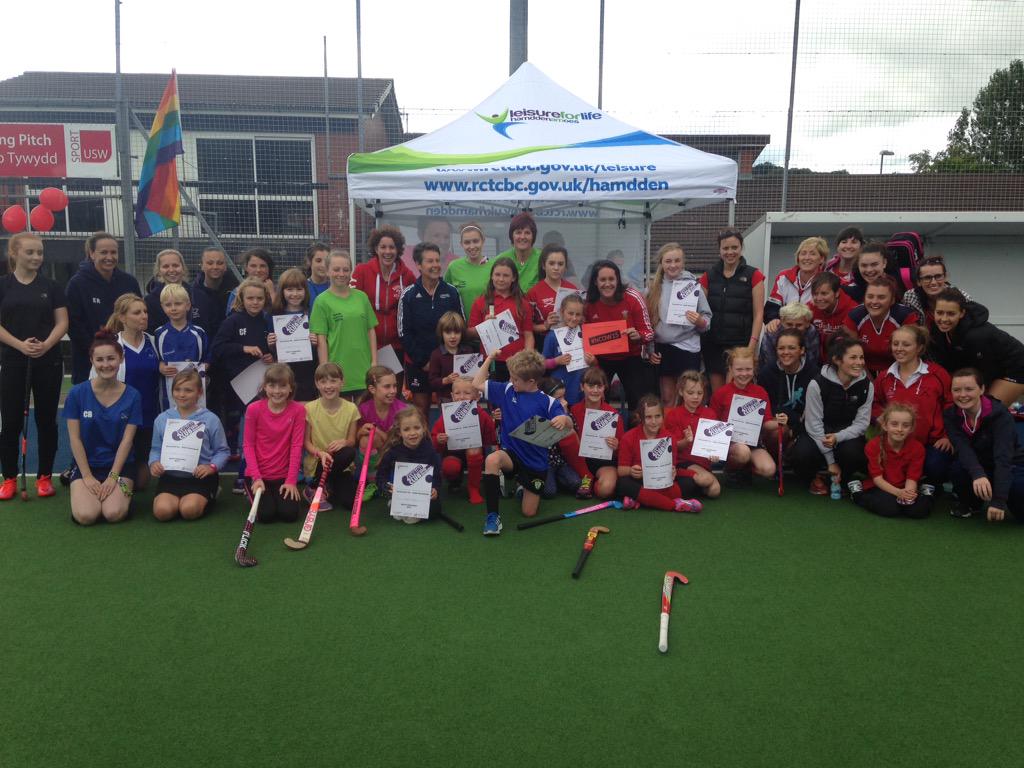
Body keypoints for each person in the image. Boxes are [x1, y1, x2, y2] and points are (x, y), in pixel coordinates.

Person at [472, 349, 570, 534]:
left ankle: (522, 486)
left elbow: (569, 425)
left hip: (535, 463)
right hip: (511, 456)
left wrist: (564, 419)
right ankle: (493, 517)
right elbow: (477, 383)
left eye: (515, 379)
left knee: (529, 512)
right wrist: (490, 359)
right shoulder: (508, 390)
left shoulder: (548, 402)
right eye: (511, 377)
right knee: (492, 459)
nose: (511, 381)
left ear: (531, 381)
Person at [0, 233, 68, 499]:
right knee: (12, 420)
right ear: (14, 253)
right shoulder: (3, 285)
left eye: (39, 252)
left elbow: (62, 322)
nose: (37, 257)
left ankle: (43, 476)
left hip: (47, 361)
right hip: (14, 360)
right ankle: (8, 478)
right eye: (30, 252)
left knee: (46, 420)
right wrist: (20, 345)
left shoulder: (52, 286)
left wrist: (46, 345)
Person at [65, 331, 141, 524]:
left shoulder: (133, 395)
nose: (105, 364)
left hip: (120, 466)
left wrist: (113, 476)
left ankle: (123, 497)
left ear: (121, 359)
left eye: (111, 358)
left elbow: (127, 440)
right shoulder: (76, 394)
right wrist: (88, 476)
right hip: (87, 466)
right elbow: (75, 439)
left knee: (113, 513)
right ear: (91, 360)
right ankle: (84, 489)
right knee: (86, 516)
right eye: (99, 359)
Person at [790, 336, 872, 495]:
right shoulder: (817, 383)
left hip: (845, 434)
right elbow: (813, 425)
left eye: (861, 357)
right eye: (853, 357)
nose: (860, 362)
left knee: (854, 454)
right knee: (801, 455)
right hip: (816, 433)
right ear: (837, 360)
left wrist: (838, 437)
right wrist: (831, 461)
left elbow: (862, 424)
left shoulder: (867, 385)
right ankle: (814, 477)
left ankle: (842, 478)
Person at [872, 325, 953, 485]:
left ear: (919, 348)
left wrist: (947, 436)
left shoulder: (938, 374)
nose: (899, 349)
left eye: (906, 344)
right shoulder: (884, 377)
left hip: (931, 442)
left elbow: (951, 406)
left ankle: (930, 486)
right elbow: (875, 404)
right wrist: (879, 418)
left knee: (935, 467)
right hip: (897, 442)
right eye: (896, 344)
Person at [211, 277, 274, 477]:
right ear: (242, 299)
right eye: (250, 298)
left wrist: (270, 354)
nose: (255, 302)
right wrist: (243, 348)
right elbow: (217, 348)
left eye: (259, 298)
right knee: (247, 428)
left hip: (262, 382)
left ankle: (261, 470)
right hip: (239, 383)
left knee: (261, 427)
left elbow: (268, 350)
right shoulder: (233, 320)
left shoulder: (266, 320)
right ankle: (243, 474)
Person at [944, 368, 1024, 522]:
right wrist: (978, 474)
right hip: (981, 464)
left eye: (969, 389)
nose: (962, 395)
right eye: (956, 390)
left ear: (982, 389)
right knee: (958, 469)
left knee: (1020, 507)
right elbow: (963, 449)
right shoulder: (950, 415)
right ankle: (972, 503)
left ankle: (1005, 496)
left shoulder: (1000, 415)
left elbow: (1003, 458)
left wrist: (999, 500)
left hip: (1012, 464)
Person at [148, 369, 229, 521]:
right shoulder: (162, 419)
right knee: (162, 513)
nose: (182, 394)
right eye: (177, 389)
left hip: (199, 477)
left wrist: (211, 467)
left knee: (189, 511)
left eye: (188, 390)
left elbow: (222, 451)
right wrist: (154, 463)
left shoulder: (210, 419)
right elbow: (155, 449)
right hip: (171, 476)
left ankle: (211, 493)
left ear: (199, 392)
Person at [398, 242, 464, 419]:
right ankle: (424, 446)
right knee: (421, 412)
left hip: (447, 364)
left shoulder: (452, 292)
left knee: (453, 413)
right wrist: (423, 362)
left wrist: (445, 361)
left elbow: (460, 327)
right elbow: (404, 333)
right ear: (418, 265)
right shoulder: (409, 294)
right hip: (419, 365)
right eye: (430, 261)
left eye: (437, 260)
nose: (435, 265)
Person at [65, 232, 141, 383]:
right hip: (89, 363)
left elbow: (139, 317)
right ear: (92, 254)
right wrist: (98, 352)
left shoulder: (129, 282)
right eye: (104, 252)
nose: (109, 257)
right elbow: (74, 325)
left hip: (126, 362)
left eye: (113, 252)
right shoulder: (77, 284)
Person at [928, 288, 1024, 407]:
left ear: (962, 313)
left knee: (986, 410)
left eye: (951, 314)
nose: (944, 319)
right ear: (934, 311)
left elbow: (986, 372)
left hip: (1015, 368)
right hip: (990, 368)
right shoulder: (937, 331)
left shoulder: (975, 336)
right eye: (940, 312)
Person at [104, 293, 160, 491]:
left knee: (142, 484)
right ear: (122, 317)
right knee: (121, 467)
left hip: (149, 414)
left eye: (145, 312)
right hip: (121, 416)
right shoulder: (112, 345)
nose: (144, 316)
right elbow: (95, 383)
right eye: (137, 313)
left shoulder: (154, 341)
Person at [645, 243, 712, 408]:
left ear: (683, 263)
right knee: (667, 398)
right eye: (668, 261)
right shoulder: (653, 288)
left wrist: (699, 321)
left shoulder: (694, 286)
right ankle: (670, 432)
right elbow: (647, 324)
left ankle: (687, 433)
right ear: (661, 263)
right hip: (663, 348)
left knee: (688, 398)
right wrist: (650, 350)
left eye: (677, 260)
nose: (673, 265)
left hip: (688, 347)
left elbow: (707, 320)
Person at [583, 259, 655, 411]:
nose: (607, 284)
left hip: (630, 357)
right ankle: (601, 434)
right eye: (602, 279)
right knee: (598, 401)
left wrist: (638, 336)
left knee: (637, 401)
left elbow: (649, 333)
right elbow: (583, 334)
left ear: (618, 280)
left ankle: (633, 433)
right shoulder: (588, 302)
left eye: (611, 279)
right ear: (595, 282)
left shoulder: (633, 298)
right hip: (601, 359)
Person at [699, 228, 765, 393]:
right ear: (719, 250)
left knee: (736, 393)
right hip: (712, 344)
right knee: (718, 394)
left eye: (734, 247)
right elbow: (699, 310)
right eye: (725, 248)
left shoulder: (754, 275)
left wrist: (751, 347)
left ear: (741, 247)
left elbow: (759, 315)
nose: (730, 252)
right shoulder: (708, 275)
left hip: (740, 345)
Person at [242, 363, 306, 523]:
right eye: (272, 385)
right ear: (265, 386)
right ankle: (248, 486)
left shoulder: (298, 410)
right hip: (260, 476)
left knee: (289, 515)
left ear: (291, 388)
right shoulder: (253, 409)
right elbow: (248, 446)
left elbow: (296, 446)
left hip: (283, 476)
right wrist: (256, 478)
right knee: (266, 516)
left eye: (283, 386)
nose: (277, 391)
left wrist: (291, 481)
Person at [616, 395, 702, 512]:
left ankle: (638, 499)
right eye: (648, 417)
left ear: (663, 416)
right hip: (638, 480)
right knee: (623, 484)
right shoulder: (628, 437)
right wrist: (631, 471)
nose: (654, 422)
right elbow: (621, 470)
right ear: (641, 418)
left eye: (658, 416)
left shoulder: (669, 438)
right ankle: (673, 504)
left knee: (690, 482)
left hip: (660, 482)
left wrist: (672, 471)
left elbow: (672, 467)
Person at [848, 402, 933, 519]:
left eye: (905, 425)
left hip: (904, 485)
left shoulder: (917, 448)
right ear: (885, 425)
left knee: (919, 510)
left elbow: (912, 478)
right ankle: (857, 493)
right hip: (880, 486)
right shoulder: (874, 445)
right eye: (894, 424)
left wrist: (908, 494)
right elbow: (877, 479)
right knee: (889, 508)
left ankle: (926, 493)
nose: (899, 429)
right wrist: (898, 493)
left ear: (912, 428)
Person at [311, 250, 378, 397]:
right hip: (337, 374)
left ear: (350, 272)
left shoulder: (362, 297)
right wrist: (325, 370)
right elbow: (321, 339)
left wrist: (374, 362)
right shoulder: (321, 301)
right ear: (328, 271)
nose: (341, 274)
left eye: (345, 270)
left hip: (363, 371)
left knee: (365, 418)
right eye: (336, 269)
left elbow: (371, 330)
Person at [351, 226, 415, 376]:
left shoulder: (407, 275)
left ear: (398, 249)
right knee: (370, 389)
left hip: (396, 346)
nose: (387, 252)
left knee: (392, 391)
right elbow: (351, 304)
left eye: (392, 247)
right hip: (368, 345)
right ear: (375, 248)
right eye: (383, 247)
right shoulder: (362, 271)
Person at [708, 347, 778, 482]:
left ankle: (745, 469)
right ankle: (730, 470)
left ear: (754, 369)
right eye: (739, 369)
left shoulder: (760, 392)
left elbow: (767, 422)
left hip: (753, 443)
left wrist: (780, 422)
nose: (744, 374)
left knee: (769, 470)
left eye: (748, 369)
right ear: (731, 369)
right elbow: (713, 423)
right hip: (731, 445)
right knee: (742, 452)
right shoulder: (721, 393)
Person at [303, 362, 361, 511]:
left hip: (342, 464)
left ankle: (327, 485)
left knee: (350, 503)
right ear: (317, 384)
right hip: (318, 464)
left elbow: (352, 441)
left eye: (333, 381)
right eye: (323, 381)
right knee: (338, 458)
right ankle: (314, 487)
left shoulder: (351, 408)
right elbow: (306, 443)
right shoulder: (309, 408)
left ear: (342, 382)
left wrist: (345, 442)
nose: (328, 386)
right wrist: (320, 453)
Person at [432, 376, 497, 504]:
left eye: (467, 393)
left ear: (477, 396)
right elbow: (434, 443)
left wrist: (495, 423)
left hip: (475, 455)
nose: (461, 397)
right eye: (457, 393)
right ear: (452, 395)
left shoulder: (482, 415)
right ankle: (454, 481)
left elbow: (492, 439)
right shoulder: (447, 415)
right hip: (452, 454)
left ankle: (473, 488)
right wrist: (439, 439)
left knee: (474, 449)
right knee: (450, 467)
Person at [468, 257, 533, 382]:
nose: (501, 279)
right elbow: (469, 333)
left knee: (515, 399)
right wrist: (484, 326)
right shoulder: (480, 302)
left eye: (506, 275)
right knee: (493, 400)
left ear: (513, 278)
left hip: (516, 363)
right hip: (491, 362)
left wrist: (526, 360)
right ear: (491, 276)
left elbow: (528, 335)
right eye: (497, 275)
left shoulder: (523, 303)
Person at [376, 408, 444, 525]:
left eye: (416, 428)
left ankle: (409, 511)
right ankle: (396, 504)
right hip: (402, 494)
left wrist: (435, 490)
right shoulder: (393, 452)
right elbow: (380, 476)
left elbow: (437, 476)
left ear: (423, 428)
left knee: (435, 510)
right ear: (399, 432)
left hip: (422, 495)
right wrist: (386, 487)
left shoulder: (430, 450)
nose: (412, 433)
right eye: (406, 429)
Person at [757, 329, 815, 463]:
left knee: (803, 453)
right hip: (778, 425)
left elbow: (815, 410)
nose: (786, 352)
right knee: (779, 431)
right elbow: (765, 408)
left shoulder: (813, 373)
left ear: (802, 350)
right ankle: (775, 459)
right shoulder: (767, 373)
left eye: (791, 348)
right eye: (781, 348)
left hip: (804, 427)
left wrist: (795, 429)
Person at [663, 371, 722, 499]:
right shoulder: (674, 414)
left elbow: (714, 445)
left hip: (703, 464)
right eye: (690, 393)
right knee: (705, 480)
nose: (695, 397)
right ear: (681, 392)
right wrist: (686, 441)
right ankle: (679, 475)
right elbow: (673, 447)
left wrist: (715, 454)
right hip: (682, 461)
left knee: (715, 491)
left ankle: (689, 487)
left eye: (699, 393)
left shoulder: (710, 413)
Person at [843, 276, 918, 376]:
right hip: (863, 370)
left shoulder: (905, 317)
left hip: (898, 369)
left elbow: (910, 355)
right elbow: (851, 355)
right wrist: (870, 383)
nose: (874, 302)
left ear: (892, 300)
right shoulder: (854, 316)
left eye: (881, 297)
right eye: (870, 296)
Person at [570, 366, 625, 500]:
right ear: (582, 387)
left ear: (604, 388)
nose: (595, 390)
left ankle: (591, 483)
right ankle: (585, 479)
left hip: (603, 462)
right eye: (590, 386)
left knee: (605, 490)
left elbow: (623, 449)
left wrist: (617, 445)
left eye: (599, 386)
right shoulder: (574, 410)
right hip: (579, 461)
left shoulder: (613, 414)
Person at [154, 284, 210, 409]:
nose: (173, 308)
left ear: (188, 305)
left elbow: (208, 358)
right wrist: (160, 366)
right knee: (171, 421)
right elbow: (156, 360)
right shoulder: (159, 334)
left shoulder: (199, 333)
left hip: (196, 392)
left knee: (195, 421)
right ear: (162, 307)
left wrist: (202, 367)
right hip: (169, 393)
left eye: (178, 304)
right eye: (168, 305)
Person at [357, 365, 408, 498]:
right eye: (387, 386)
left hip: (399, 455)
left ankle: (389, 476)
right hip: (378, 455)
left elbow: (402, 443)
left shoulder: (402, 409)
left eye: (395, 386)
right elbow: (354, 440)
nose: (393, 391)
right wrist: (361, 431)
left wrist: (379, 432)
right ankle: (373, 481)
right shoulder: (363, 409)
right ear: (372, 389)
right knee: (365, 439)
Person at [268, 268, 317, 403]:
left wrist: (315, 343)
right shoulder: (274, 314)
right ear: (282, 291)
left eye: (299, 289)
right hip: (284, 370)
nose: (294, 294)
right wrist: (271, 343)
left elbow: (320, 342)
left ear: (305, 291)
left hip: (308, 370)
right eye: (289, 289)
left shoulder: (312, 313)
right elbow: (271, 350)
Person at [901, 255, 984, 326]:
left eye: (938, 276)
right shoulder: (910, 297)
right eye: (927, 278)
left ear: (946, 277)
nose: (933, 282)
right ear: (918, 281)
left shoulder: (963, 298)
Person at [764, 236, 827, 324]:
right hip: (786, 329)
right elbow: (771, 308)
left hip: (813, 331)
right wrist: (773, 320)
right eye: (803, 253)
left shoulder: (827, 281)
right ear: (798, 258)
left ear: (821, 259)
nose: (807, 257)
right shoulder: (783, 277)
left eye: (812, 254)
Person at [541, 294, 588, 407]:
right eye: (570, 313)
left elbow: (594, 363)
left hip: (580, 387)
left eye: (578, 314)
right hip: (559, 390)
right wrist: (557, 361)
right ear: (562, 312)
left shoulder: (586, 334)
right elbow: (541, 363)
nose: (574, 318)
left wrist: (592, 360)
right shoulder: (552, 336)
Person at [526, 243, 579, 342]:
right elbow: (527, 327)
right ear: (543, 265)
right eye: (551, 263)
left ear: (566, 267)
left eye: (560, 264)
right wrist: (545, 325)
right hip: (545, 344)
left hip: (570, 343)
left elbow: (581, 318)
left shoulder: (572, 289)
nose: (556, 268)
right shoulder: (533, 292)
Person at [444, 222, 492, 320]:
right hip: (461, 330)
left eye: (475, 241)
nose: (472, 246)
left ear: (483, 241)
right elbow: (445, 296)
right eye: (467, 242)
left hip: (489, 328)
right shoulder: (454, 267)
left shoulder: (494, 267)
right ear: (461, 244)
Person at [190, 246, 237, 342]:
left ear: (225, 266)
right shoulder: (192, 293)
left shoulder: (235, 291)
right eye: (210, 263)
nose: (215, 267)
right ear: (202, 266)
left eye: (220, 263)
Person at [428, 311, 476, 403]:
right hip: (446, 399)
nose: (453, 336)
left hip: (467, 397)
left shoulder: (468, 351)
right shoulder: (436, 354)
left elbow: (473, 376)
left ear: (462, 333)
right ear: (441, 333)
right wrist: (446, 380)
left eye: (457, 332)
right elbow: (432, 381)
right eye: (448, 332)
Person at [808, 272, 857, 362]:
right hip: (818, 361)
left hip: (843, 360)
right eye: (815, 294)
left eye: (824, 293)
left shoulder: (852, 310)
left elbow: (855, 345)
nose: (819, 298)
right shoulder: (811, 308)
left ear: (837, 293)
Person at [759, 302, 820, 372]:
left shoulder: (811, 332)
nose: (793, 328)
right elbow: (768, 362)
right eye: (789, 324)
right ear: (782, 321)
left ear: (807, 323)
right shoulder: (772, 332)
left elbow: (812, 362)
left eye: (799, 325)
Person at [144, 248, 190, 333]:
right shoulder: (150, 300)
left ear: (183, 268)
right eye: (165, 266)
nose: (171, 270)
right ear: (159, 271)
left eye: (175, 265)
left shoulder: (196, 294)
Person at [496, 211, 541, 291]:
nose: (522, 237)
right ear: (511, 236)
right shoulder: (500, 259)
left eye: (527, 233)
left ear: (533, 236)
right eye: (518, 232)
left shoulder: (543, 258)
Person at [225, 248, 276, 314]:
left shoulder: (279, 290)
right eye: (253, 266)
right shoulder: (237, 292)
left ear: (269, 268)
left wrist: (272, 293)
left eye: (262, 266)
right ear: (246, 268)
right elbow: (231, 318)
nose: (258, 270)